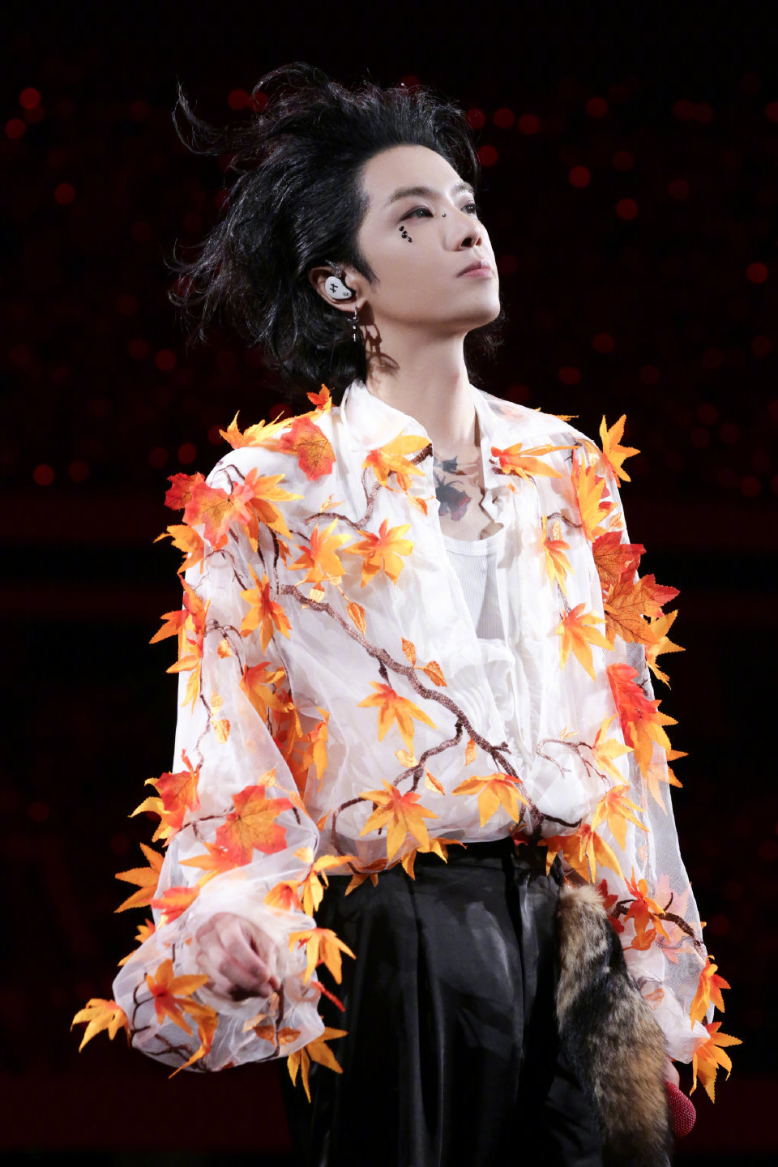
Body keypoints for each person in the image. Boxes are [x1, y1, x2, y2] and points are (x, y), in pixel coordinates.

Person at [75, 63, 736, 1166]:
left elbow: (627, 745)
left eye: (466, 205)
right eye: (415, 217)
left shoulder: (564, 466)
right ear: (343, 284)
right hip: (396, 941)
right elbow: (230, 748)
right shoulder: (268, 490)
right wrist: (234, 916)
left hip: (579, 943)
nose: (465, 230)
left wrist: (653, 988)